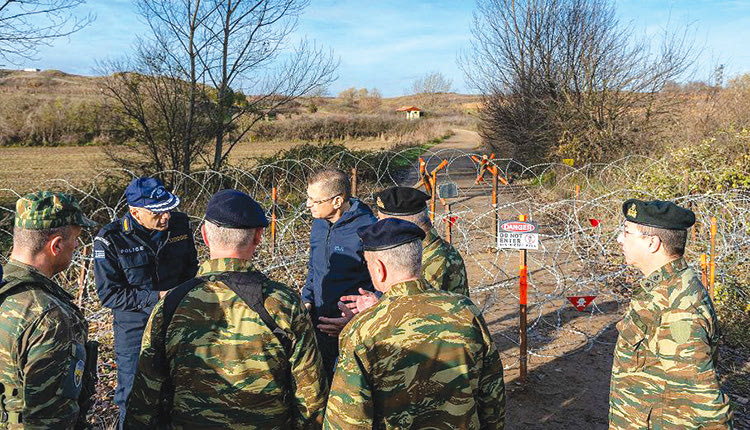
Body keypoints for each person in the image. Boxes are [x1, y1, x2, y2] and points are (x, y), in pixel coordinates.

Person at [124, 189, 328, 429]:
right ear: (258, 237)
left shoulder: (171, 305)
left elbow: (145, 399)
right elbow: (310, 397)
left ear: (205, 236)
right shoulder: (282, 303)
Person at [323, 218, 506, 429]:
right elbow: (492, 394)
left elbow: (348, 420)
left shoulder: (362, 330)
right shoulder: (465, 310)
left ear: (380, 269)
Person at [610, 199, 734, 429]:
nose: (619, 239)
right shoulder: (662, 287)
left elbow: (704, 401)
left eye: (627, 233)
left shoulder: (679, 308)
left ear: (652, 243)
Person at [93, 177, 198, 426]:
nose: (166, 218)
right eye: (157, 213)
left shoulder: (180, 226)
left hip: (177, 317)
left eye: (168, 209)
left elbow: (190, 269)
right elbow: (109, 294)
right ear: (135, 212)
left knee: (178, 390)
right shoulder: (111, 239)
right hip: (134, 324)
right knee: (132, 394)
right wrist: (157, 297)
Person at [0, 191, 98, 429]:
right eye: (75, 238)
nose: (77, 245)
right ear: (56, 245)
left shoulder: (5, 290)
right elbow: (50, 419)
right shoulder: (49, 317)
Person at [301, 168, 376, 382]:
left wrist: (355, 320)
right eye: (308, 198)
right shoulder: (319, 225)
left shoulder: (367, 228)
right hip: (319, 325)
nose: (308, 205)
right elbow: (314, 267)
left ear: (337, 201)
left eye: (314, 201)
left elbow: (382, 282)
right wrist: (307, 300)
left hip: (354, 328)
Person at [373, 186, 469, 296]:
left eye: (381, 220)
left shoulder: (431, 263)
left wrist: (376, 306)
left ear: (403, 225)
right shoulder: (424, 251)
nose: (378, 225)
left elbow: (417, 309)